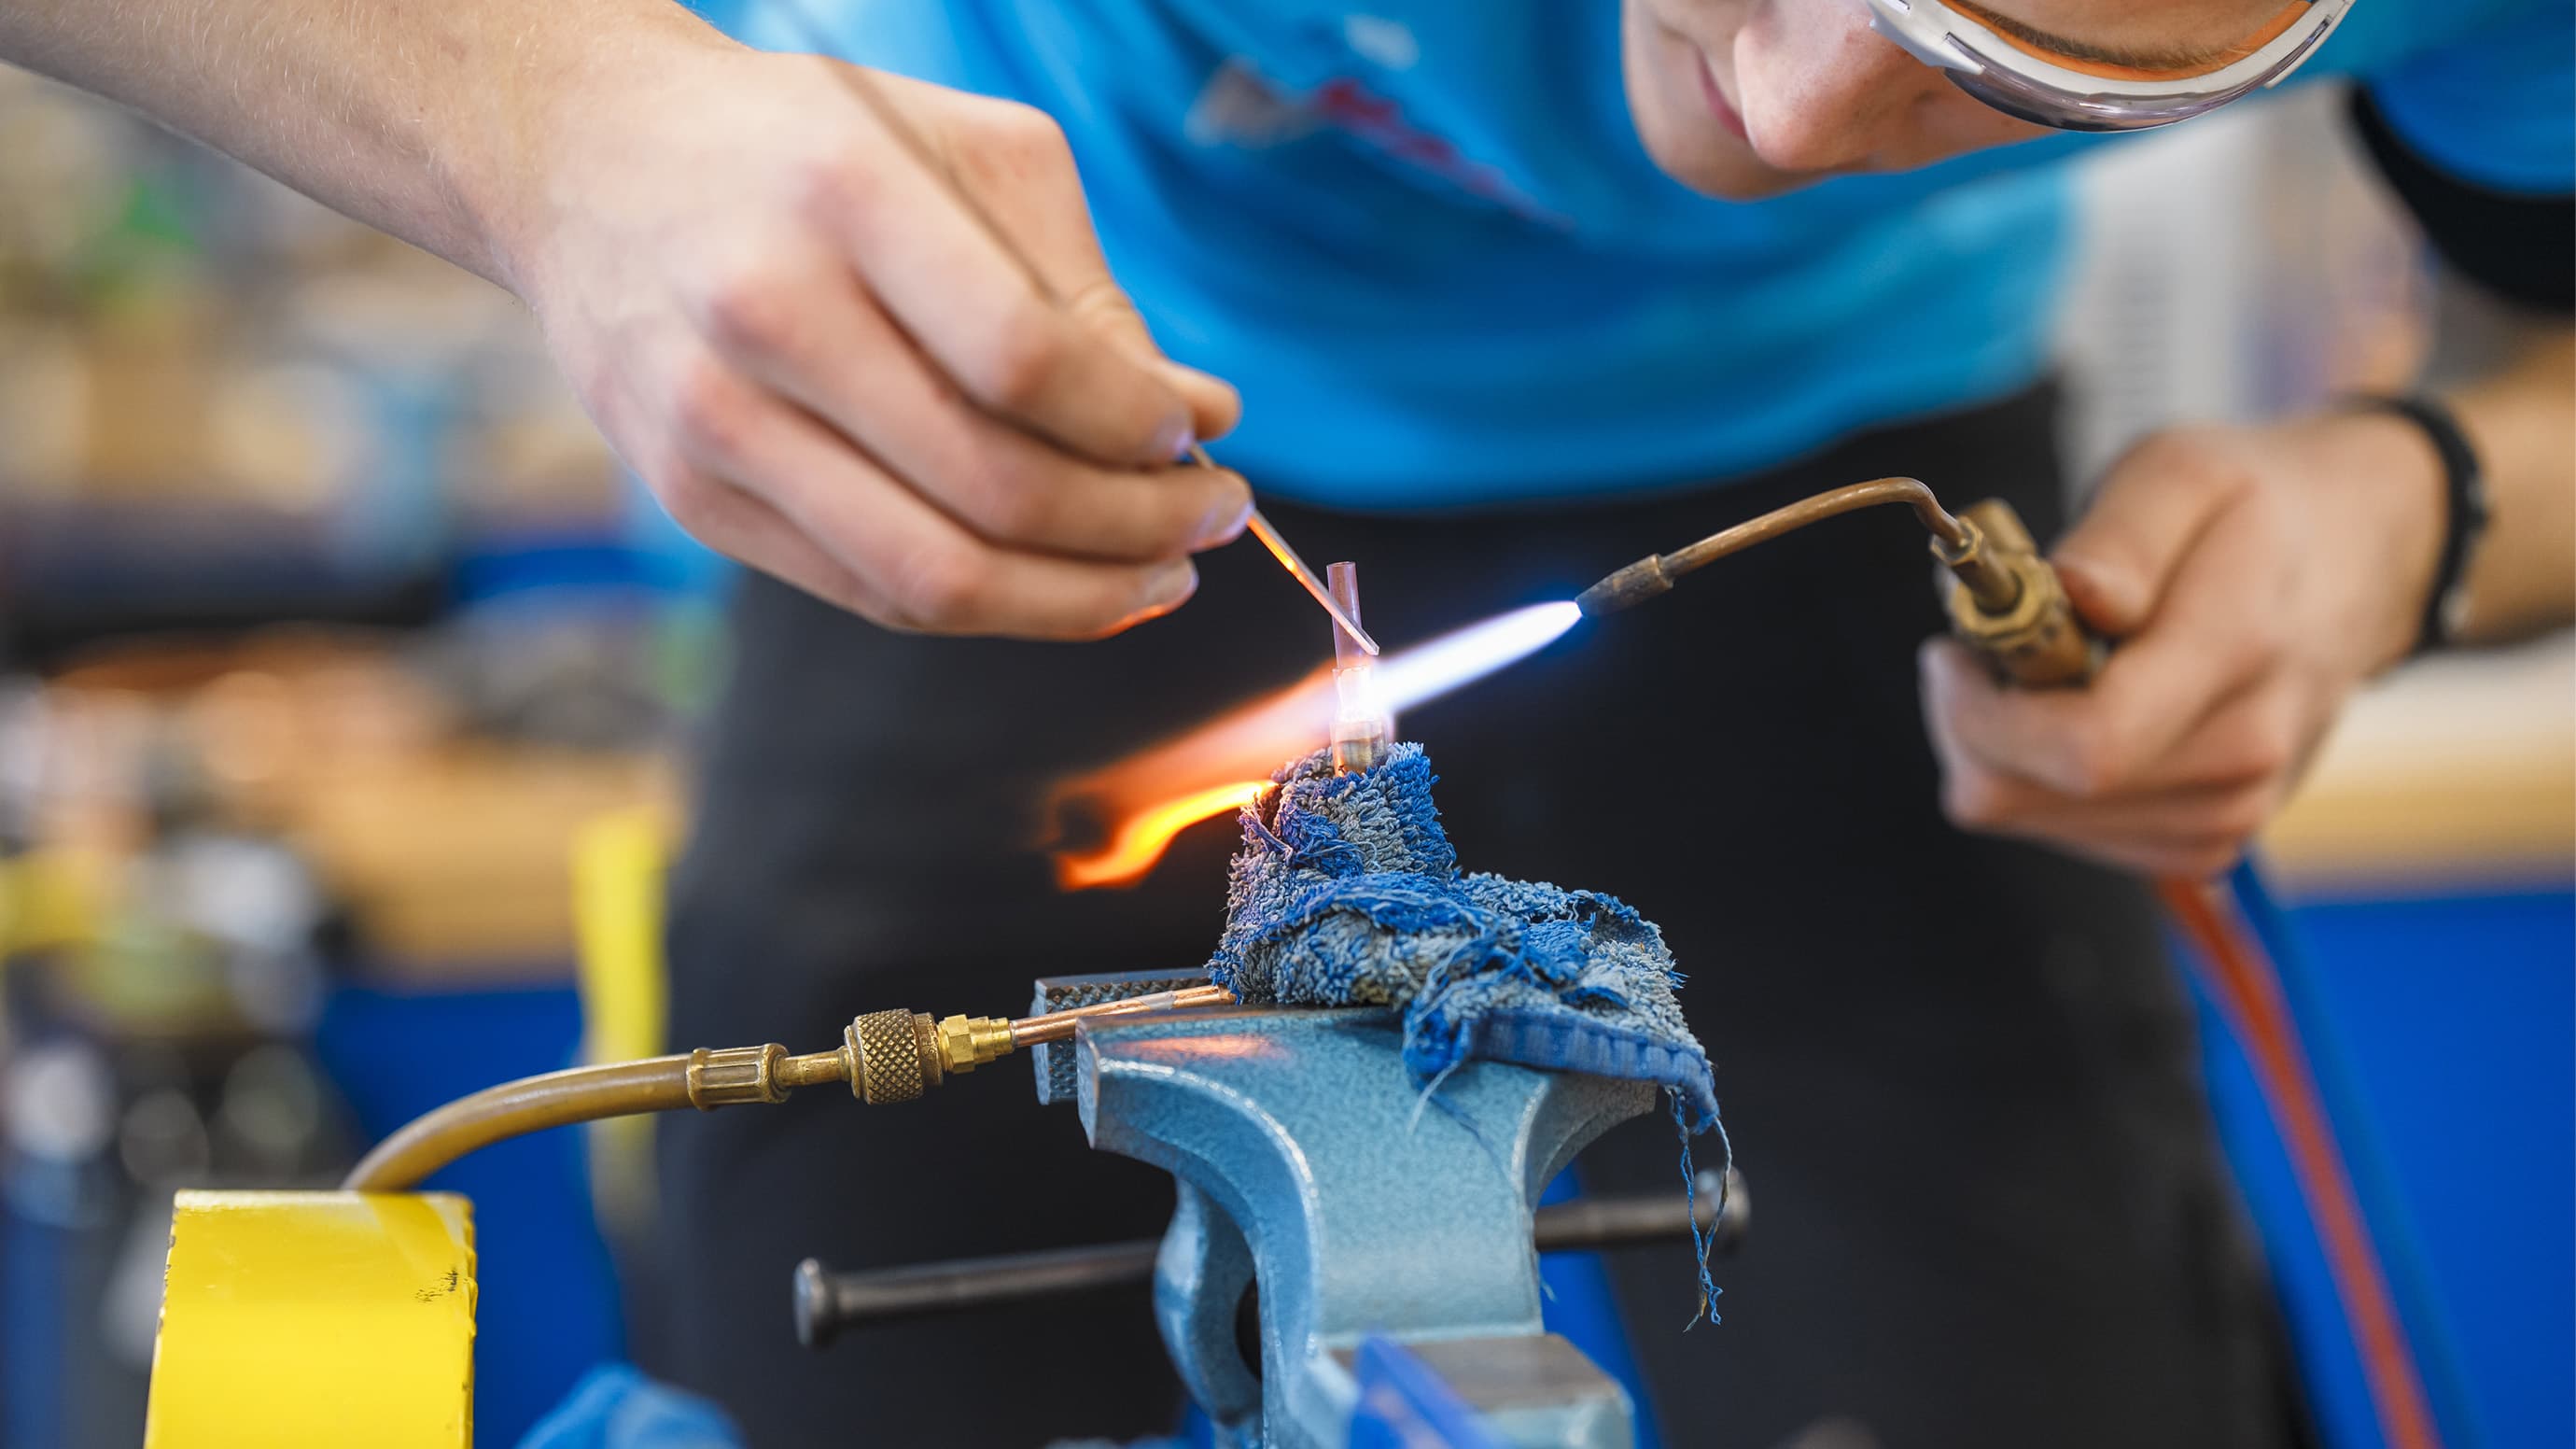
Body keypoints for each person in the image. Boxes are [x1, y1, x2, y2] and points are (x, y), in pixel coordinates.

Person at [5, 0, 2568, 1442]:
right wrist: (545, 118)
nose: (1775, 124)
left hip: (1847, 545)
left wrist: (2420, 493)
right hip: (958, 442)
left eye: (2016, 39)